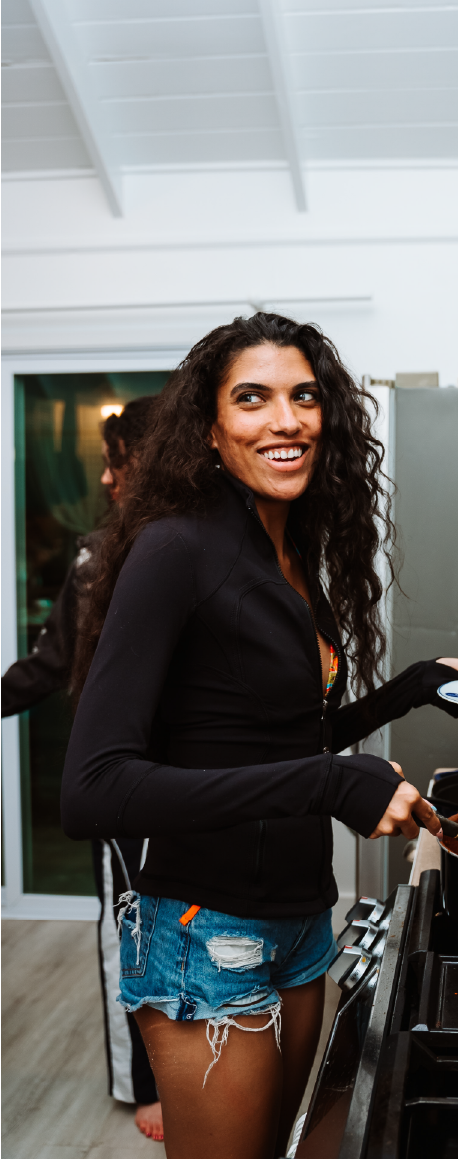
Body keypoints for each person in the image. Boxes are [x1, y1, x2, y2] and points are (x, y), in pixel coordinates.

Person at [61, 313, 458, 1159]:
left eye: (303, 396)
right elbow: (94, 788)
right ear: (211, 429)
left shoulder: (287, 550)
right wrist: (331, 784)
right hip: (202, 929)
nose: (283, 419)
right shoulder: (175, 549)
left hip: (300, 917)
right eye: (251, 398)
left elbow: (275, 735)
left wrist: (413, 686)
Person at [1, 396, 166, 1143]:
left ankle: (164, 1078)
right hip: (133, 788)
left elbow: (46, 665)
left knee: (139, 932)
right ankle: (145, 1084)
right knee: (138, 927)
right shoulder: (103, 551)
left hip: (152, 787)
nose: (104, 476)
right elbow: (50, 667)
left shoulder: (146, 547)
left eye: (114, 460)